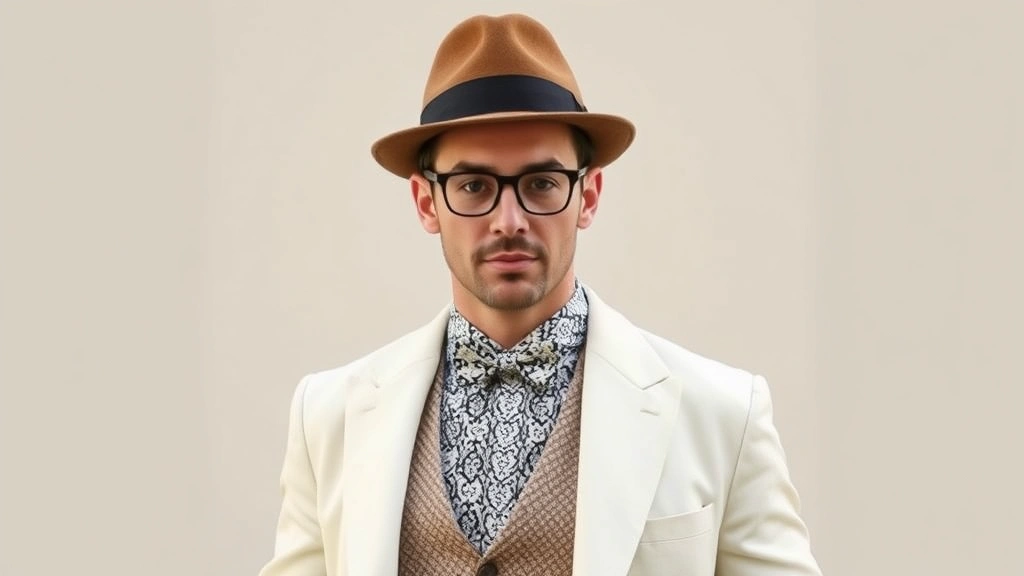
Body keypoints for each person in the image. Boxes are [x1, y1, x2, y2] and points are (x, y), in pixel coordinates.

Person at [258, 12, 822, 576]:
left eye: (541, 184)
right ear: (427, 202)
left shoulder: (721, 413)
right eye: (473, 185)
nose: (509, 220)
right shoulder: (330, 416)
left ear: (589, 194)